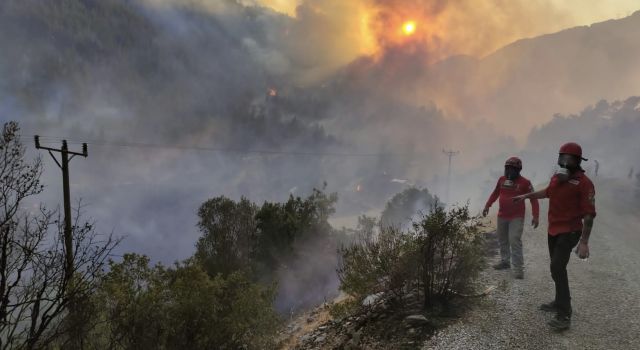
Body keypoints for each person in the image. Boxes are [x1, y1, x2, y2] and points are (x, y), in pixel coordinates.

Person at [513, 142, 596, 331]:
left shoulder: (584, 183)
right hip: (554, 230)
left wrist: (584, 242)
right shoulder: (556, 179)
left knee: (557, 267)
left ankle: (564, 314)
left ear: (577, 161)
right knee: (555, 268)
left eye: (570, 158)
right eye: (562, 158)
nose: (565, 162)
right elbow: (547, 193)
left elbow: (589, 214)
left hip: (571, 230)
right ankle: (559, 301)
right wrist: (527, 195)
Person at [483, 157, 539, 279]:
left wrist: (536, 216)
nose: (509, 171)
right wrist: (487, 205)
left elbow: (533, 199)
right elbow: (495, 193)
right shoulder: (502, 180)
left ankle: (518, 269)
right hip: (502, 215)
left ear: (518, 170)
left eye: (512, 169)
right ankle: (505, 261)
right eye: (507, 168)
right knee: (502, 239)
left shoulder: (525, 183)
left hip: (516, 217)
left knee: (514, 240)